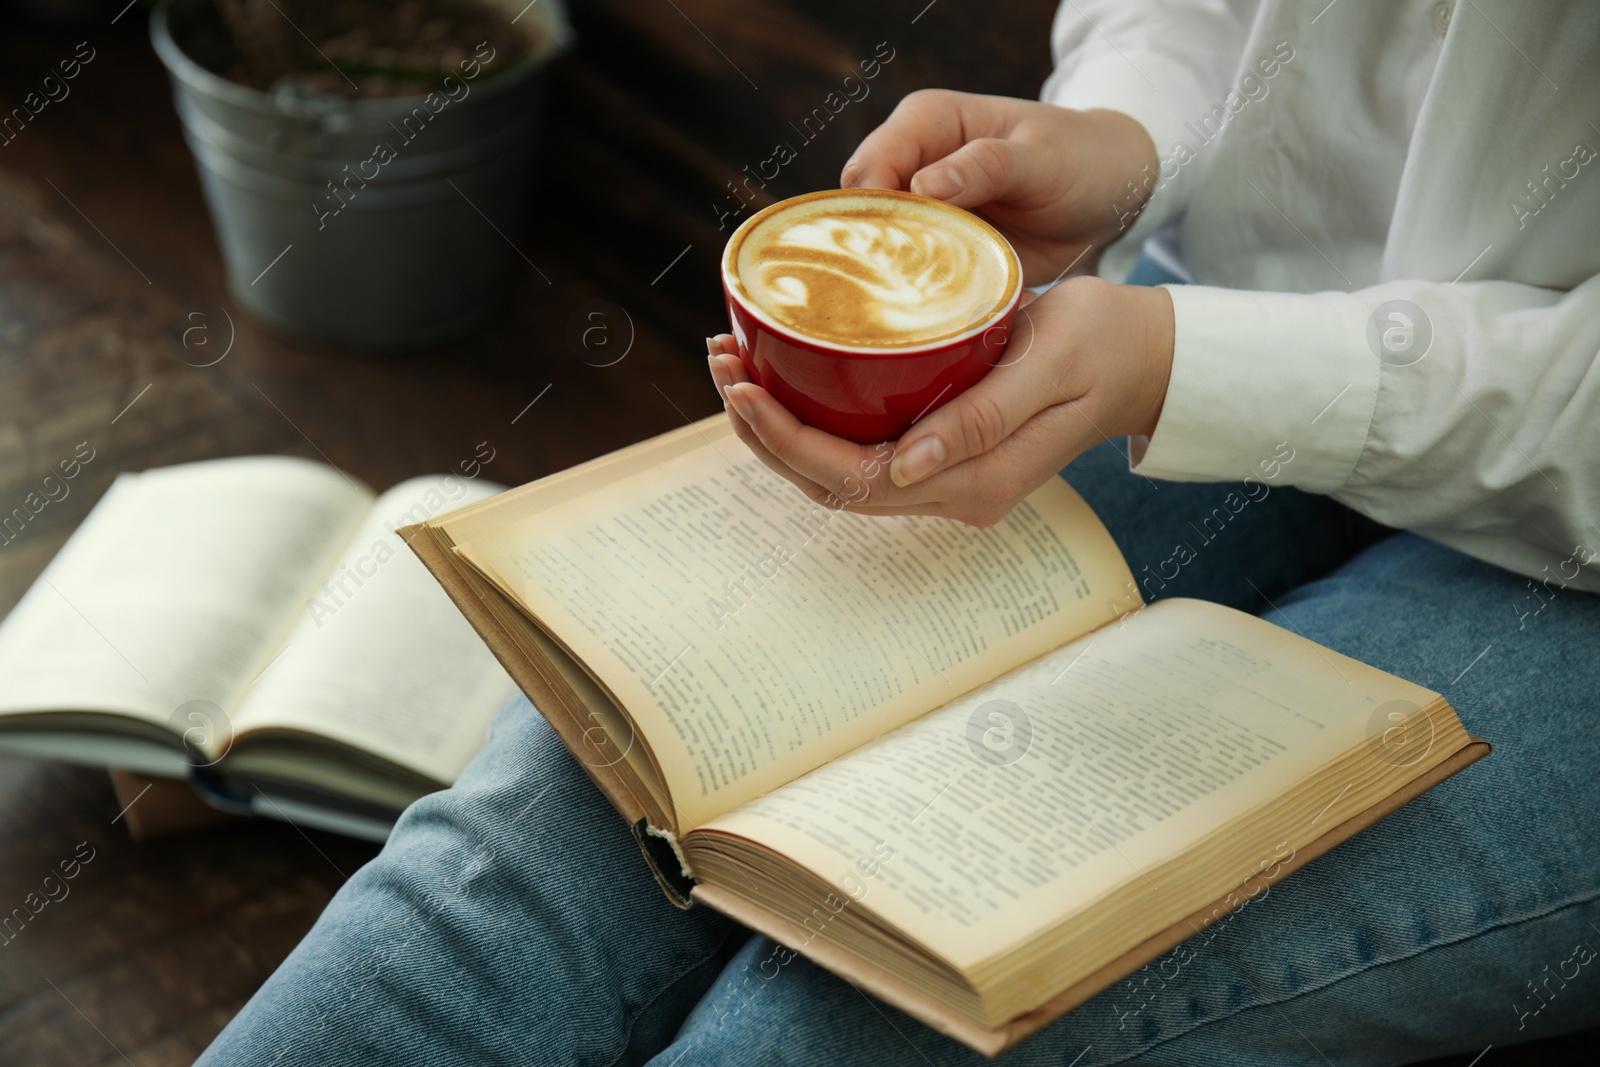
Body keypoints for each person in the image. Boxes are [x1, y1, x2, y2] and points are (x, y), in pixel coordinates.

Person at [197, 2, 1600, 1064]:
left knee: (843, 1013)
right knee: (513, 873)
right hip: (1188, 306)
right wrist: (1129, 131)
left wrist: (1187, 367)